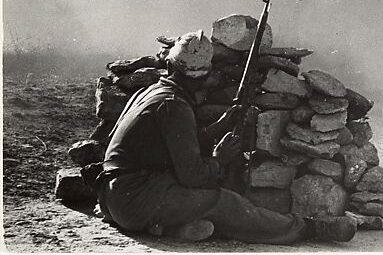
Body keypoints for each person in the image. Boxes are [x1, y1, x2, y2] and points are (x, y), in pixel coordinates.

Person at [93, 30, 356, 244]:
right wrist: (217, 161)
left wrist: (221, 125)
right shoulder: (175, 105)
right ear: (202, 77)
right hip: (136, 199)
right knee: (222, 201)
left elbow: (174, 145)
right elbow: (192, 175)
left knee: (205, 199)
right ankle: (310, 229)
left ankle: (171, 228)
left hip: (115, 194)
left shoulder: (153, 93)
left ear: (171, 66)